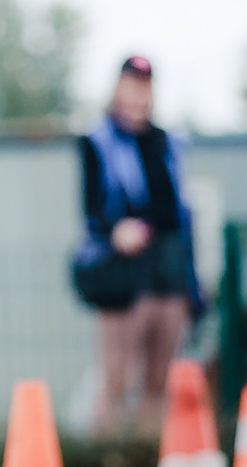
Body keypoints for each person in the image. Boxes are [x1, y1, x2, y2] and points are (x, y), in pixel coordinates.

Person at [72, 55, 201, 435]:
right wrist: (118, 230)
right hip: (125, 269)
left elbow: (179, 211)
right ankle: (108, 466)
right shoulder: (97, 140)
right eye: (131, 84)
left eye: (144, 86)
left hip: (168, 264)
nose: (137, 94)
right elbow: (92, 210)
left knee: (158, 378)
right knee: (117, 376)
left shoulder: (169, 142)